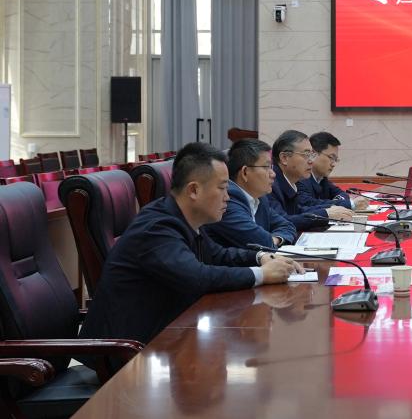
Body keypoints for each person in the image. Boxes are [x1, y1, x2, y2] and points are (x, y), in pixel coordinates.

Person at [78, 142, 303, 349]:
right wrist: (262, 274)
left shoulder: (183, 218)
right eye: (222, 188)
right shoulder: (157, 228)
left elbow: (217, 254)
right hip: (127, 353)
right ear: (194, 190)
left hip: (167, 336)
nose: (228, 197)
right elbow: (197, 277)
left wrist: (260, 257)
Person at [204, 139, 298, 250]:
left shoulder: (259, 198)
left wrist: (275, 239)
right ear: (245, 172)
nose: (273, 174)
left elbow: (288, 226)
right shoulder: (228, 199)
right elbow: (261, 243)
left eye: (271, 167)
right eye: (266, 167)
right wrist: (270, 241)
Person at [267, 130, 352, 233]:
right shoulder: (269, 185)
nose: (311, 161)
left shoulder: (290, 180)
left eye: (312, 155)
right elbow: (283, 222)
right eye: (306, 154)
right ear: (284, 158)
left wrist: (330, 211)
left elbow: (299, 210)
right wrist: (326, 214)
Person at [297, 131, 368, 212]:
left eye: (335, 159)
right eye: (331, 157)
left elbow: (341, 194)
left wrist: (338, 201)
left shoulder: (322, 179)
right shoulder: (300, 179)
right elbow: (310, 204)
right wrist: (350, 204)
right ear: (313, 154)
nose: (333, 164)